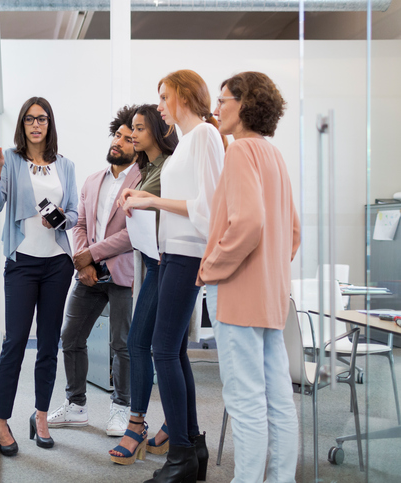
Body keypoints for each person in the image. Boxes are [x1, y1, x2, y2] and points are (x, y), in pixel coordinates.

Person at [120, 69, 226, 483]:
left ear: (183, 95)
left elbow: (210, 206)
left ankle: (180, 456)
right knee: (173, 352)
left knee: (163, 350)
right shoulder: (189, 142)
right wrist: (152, 201)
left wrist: (153, 199)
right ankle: (192, 447)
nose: (160, 105)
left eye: (164, 97)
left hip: (187, 253)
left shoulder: (204, 137)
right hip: (173, 253)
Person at [198, 72, 300, 483]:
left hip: (239, 295)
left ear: (246, 104)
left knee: (245, 403)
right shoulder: (273, 154)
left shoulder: (240, 153)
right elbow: (292, 233)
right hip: (271, 297)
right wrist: (268, 267)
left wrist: (211, 268)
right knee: (278, 401)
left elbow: (248, 224)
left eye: (224, 100)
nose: (217, 109)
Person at [0, 97, 78, 456]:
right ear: (22, 125)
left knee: (48, 345)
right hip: (22, 262)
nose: (36, 125)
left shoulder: (66, 166)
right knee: (14, 344)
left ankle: (41, 416)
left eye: (42, 119)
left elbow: (74, 213)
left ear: (49, 124)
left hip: (58, 263)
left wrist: (61, 217)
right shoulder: (10, 159)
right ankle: (0, 419)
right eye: (29, 119)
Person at [47, 105, 141, 437]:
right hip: (88, 277)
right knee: (71, 337)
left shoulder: (143, 181)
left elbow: (133, 235)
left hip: (123, 276)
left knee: (122, 345)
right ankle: (76, 406)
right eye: (118, 135)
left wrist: (89, 255)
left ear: (138, 146)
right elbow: (82, 224)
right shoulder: (92, 180)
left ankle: (121, 408)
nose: (119, 142)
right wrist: (84, 260)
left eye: (129, 139)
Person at [108, 104, 178, 464]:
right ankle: (175, 424)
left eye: (137, 128)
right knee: (169, 350)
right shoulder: (147, 167)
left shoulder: (170, 165)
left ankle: (137, 424)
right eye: (129, 129)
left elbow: (175, 208)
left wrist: (140, 199)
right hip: (152, 261)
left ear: (155, 130)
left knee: (140, 343)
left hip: (165, 264)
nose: (132, 134)